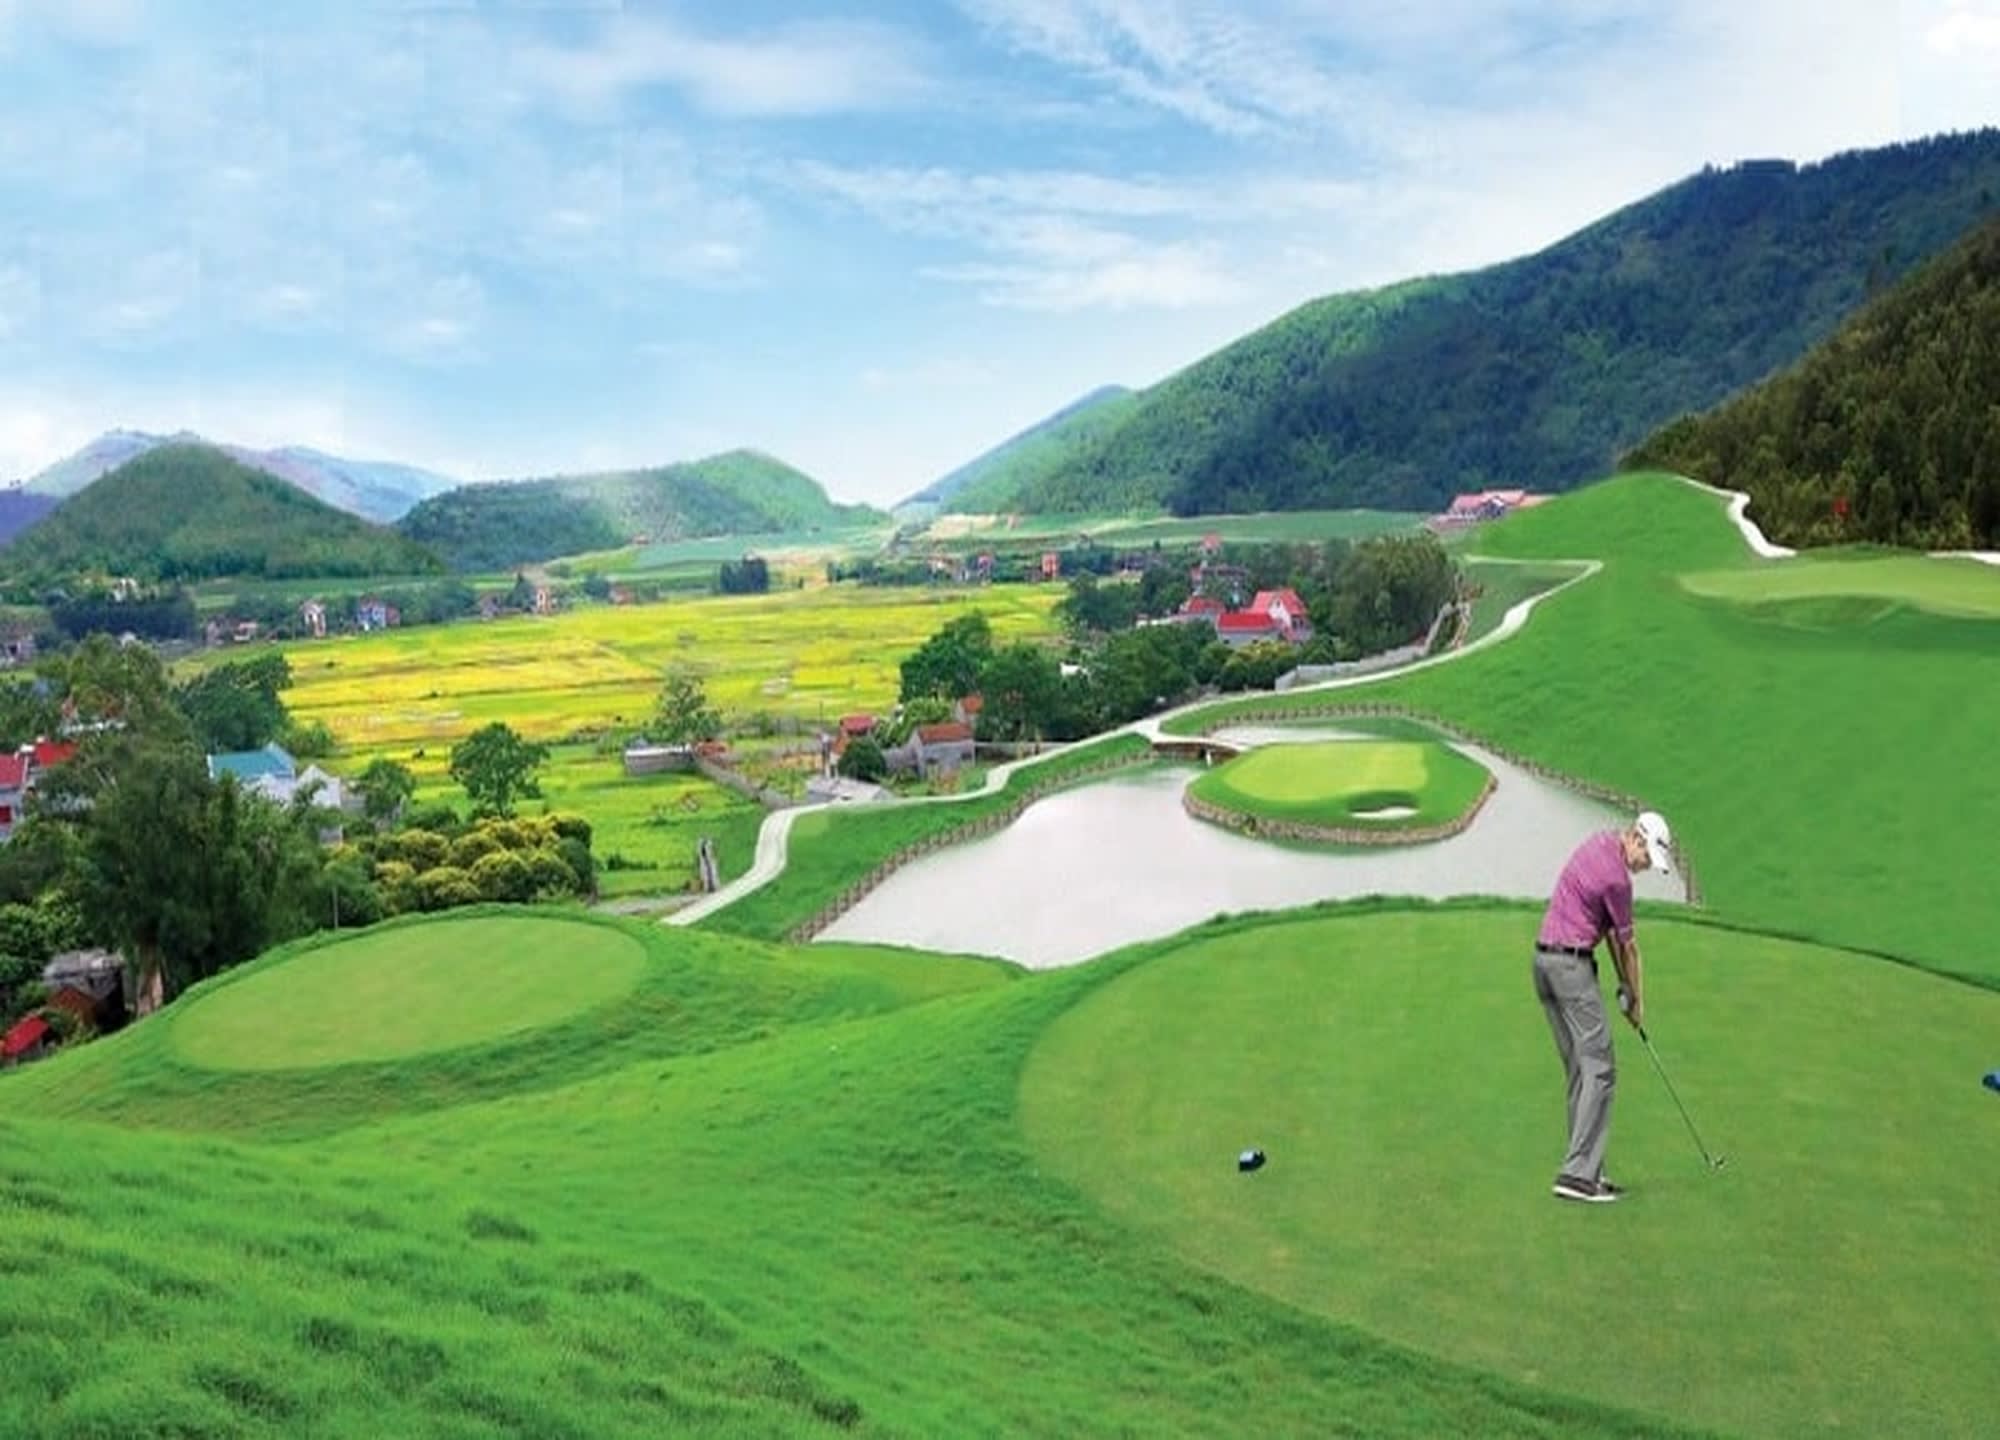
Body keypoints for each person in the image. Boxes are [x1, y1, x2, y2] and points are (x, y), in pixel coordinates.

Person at [1533, 810, 1673, 1203]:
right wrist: (1637, 1003)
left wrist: (1623, 986)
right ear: (1637, 839)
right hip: (1570, 969)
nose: (1645, 867)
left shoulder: (1598, 844)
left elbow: (1610, 931)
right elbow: (1629, 947)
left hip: (1543, 964)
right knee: (1601, 1068)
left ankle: (1586, 1171)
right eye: (1647, 858)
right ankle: (1578, 1176)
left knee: (1582, 1070)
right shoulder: (1618, 880)